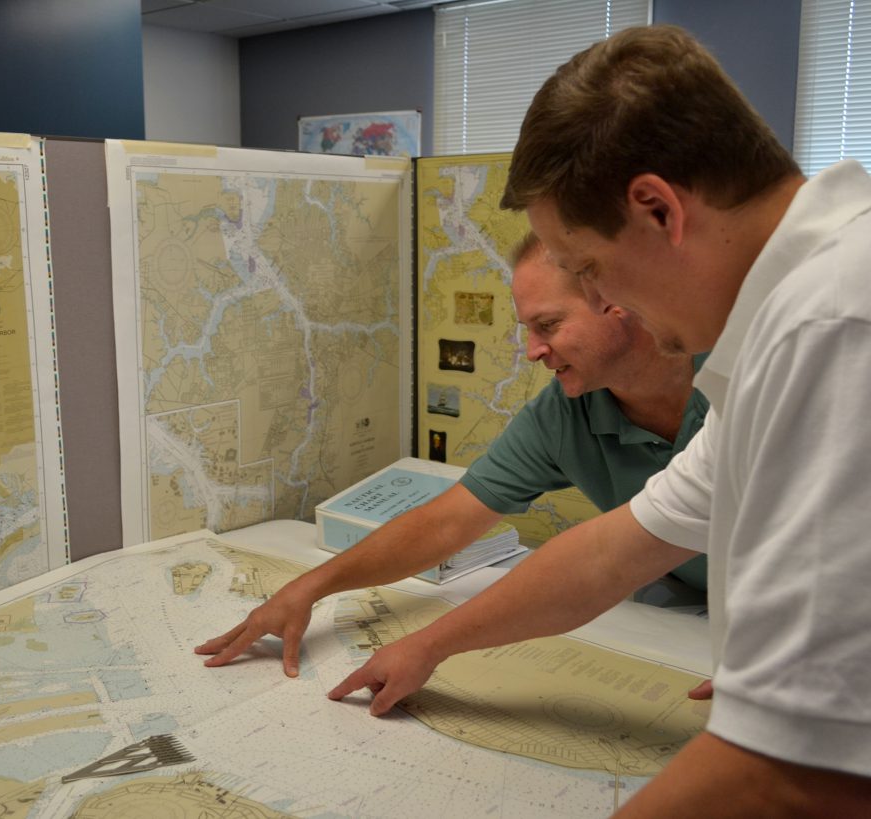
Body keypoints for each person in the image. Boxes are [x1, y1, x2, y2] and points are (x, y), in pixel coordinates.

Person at [315, 24, 871, 815]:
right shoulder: (794, 323)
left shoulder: (833, 324)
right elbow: (616, 551)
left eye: (587, 268)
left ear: (656, 209)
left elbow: (795, 775)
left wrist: (788, 699)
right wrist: (429, 644)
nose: (606, 299)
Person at [196, 230, 709, 675]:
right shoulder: (565, 413)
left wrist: (428, 646)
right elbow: (446, 523)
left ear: (615, 299)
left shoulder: (744, 383)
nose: (532, 351)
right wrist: (309, 588)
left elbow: (599, 563)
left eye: (548, 325)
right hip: (693, 615)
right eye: (527, 329)